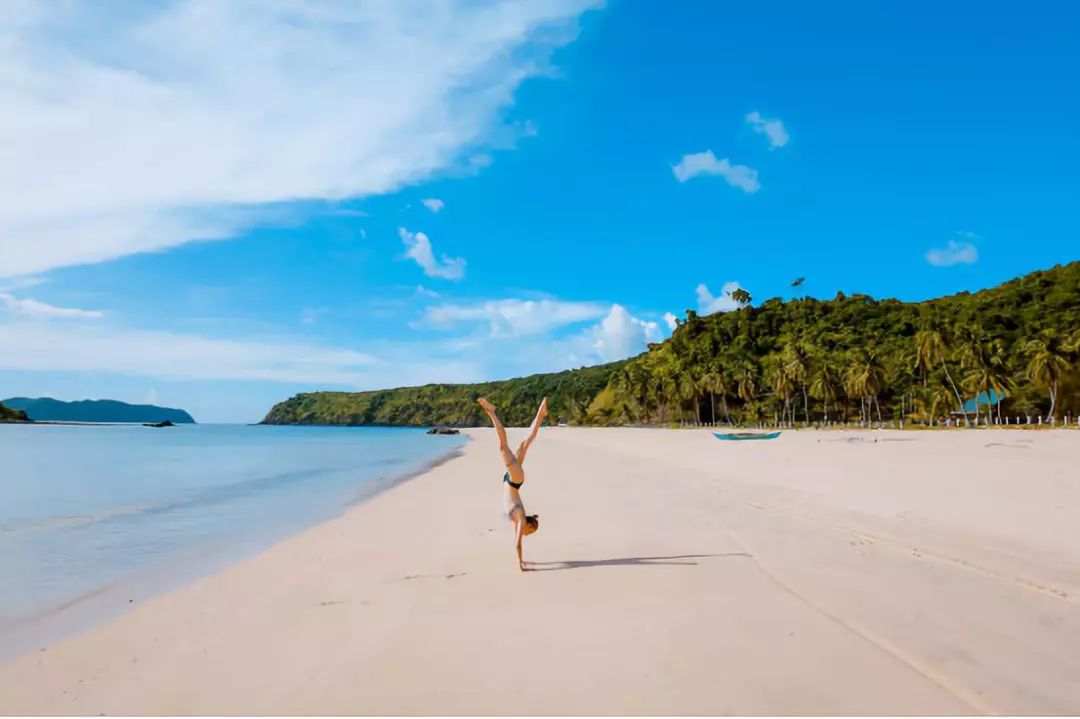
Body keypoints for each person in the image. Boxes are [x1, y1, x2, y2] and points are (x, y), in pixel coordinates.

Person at [476, 396, 547, 571]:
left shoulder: (519, 521)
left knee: (524, 444)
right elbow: (517, 545)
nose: (526, 534)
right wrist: (520, 564)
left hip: (513, 480)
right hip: (514, 480)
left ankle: (541, 414)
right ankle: (492, 412)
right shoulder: (521, 519)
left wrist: (523, 562)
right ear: (529, 526)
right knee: (503, 447)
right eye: (529, 532)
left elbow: (517, 541)